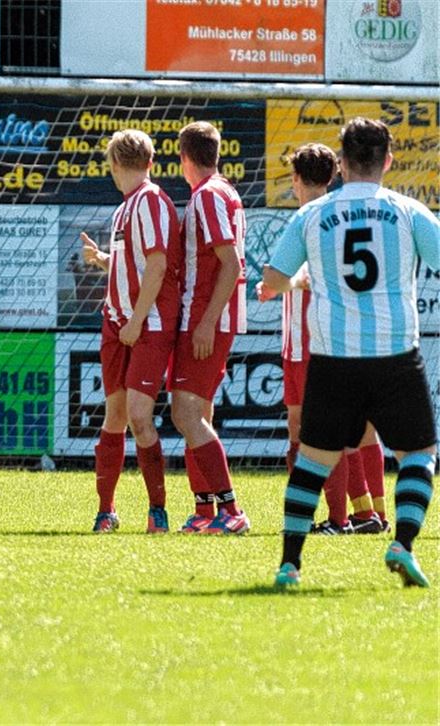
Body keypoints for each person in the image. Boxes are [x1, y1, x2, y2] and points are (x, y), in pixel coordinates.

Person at [264, 117, 440, 588]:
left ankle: (289, 564)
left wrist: (298, 280)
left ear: (340, 164)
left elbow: (273, 279)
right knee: (419, 454)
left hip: (332, 358)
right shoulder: (407, 210)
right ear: (388, 161)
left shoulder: (312, 213)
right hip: (395, 356)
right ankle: (402, 543)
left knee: (312, 461)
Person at [256, 143, 387, 536]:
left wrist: (283, 283)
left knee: (333, 432)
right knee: (304, 429)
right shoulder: (329, 217)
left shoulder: (318, 219)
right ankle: (333, 512)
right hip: (302, 343)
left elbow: (302, 277)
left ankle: (350, 516)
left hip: (322, 341)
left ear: (296, 179)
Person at [80, 129, 182, 534]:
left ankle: (157, 509)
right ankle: (106, 510)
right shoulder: (124, 209)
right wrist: (103, 259)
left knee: (140, 417)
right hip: (118, 321)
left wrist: (138, 321)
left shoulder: (151, 201)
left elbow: (157, 267)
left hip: (147, 324)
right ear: (150, 161)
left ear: (114, 165)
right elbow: (136, 267)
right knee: (115, 416)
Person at [169, 121, 250, 535]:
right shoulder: (224, 192)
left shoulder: (207, 196)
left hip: (205, 319)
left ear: (184, 158)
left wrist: (204, 323)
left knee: (185, 413)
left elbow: (232, 263)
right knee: (196, 413)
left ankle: (231, 510)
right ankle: (205, 510)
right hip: (208, 317)